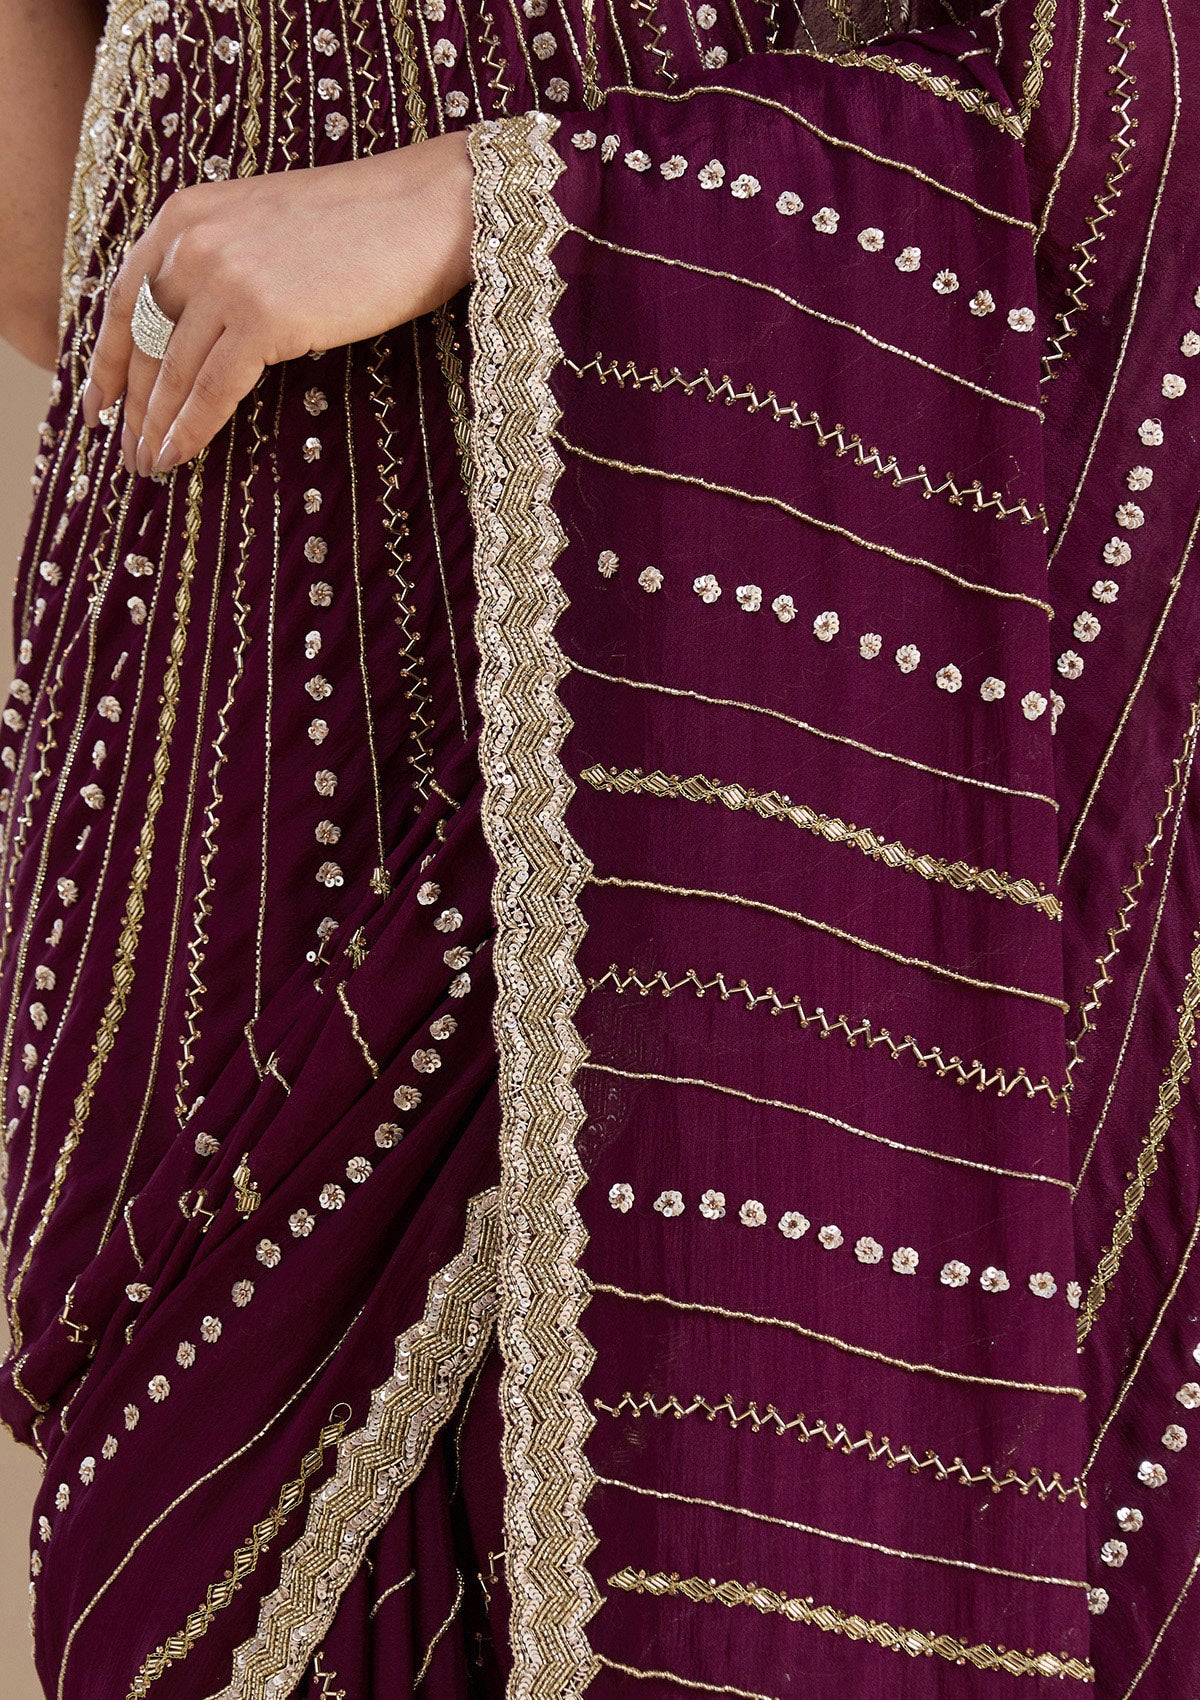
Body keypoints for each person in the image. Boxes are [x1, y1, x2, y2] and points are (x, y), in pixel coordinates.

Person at [0, 2, 1197, 1695]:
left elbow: (1123, 89)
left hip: (715, 596)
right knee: (189, 1561)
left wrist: (495, 201)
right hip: (227, 697)